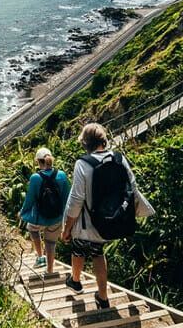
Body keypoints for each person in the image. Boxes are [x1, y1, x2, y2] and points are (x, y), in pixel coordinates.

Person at [62, 122, 154, 309]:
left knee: (78, 248)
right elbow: (132, 188)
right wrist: (131, 215)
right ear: (104, 140)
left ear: (84, 143)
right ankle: (103, 298)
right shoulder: (119, 158)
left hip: (89, 223)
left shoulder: (83, 163)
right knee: (98, 252)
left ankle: (76, 281)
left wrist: (67, 228)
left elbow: (76, 199)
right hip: (111, 219)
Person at [18, 146, 71, 274]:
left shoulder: (35, 177)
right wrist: (63, 217)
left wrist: (22, 212)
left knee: (32, 229)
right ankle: (50, 270)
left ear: (38, 162)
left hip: (39, 217)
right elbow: (67, 198)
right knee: (51, 242)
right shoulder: (62, 175)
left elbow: (29, 199)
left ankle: (40, 256)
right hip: (57, 218)